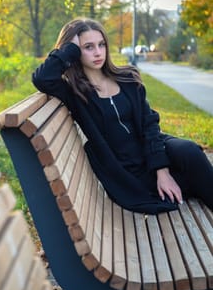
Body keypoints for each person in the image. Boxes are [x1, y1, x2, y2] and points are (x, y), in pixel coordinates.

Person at [32, 17, 213, 214]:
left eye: (101, 45)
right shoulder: (74, 92)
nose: (98, 52)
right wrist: (69, 49)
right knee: (192, 180)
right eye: (88, 47)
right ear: (75, 51)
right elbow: (42, 78)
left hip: (153, 152)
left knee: (189, 152)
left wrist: (162, 171)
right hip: (128, 169)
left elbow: (149, 124)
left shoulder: (127, 78)